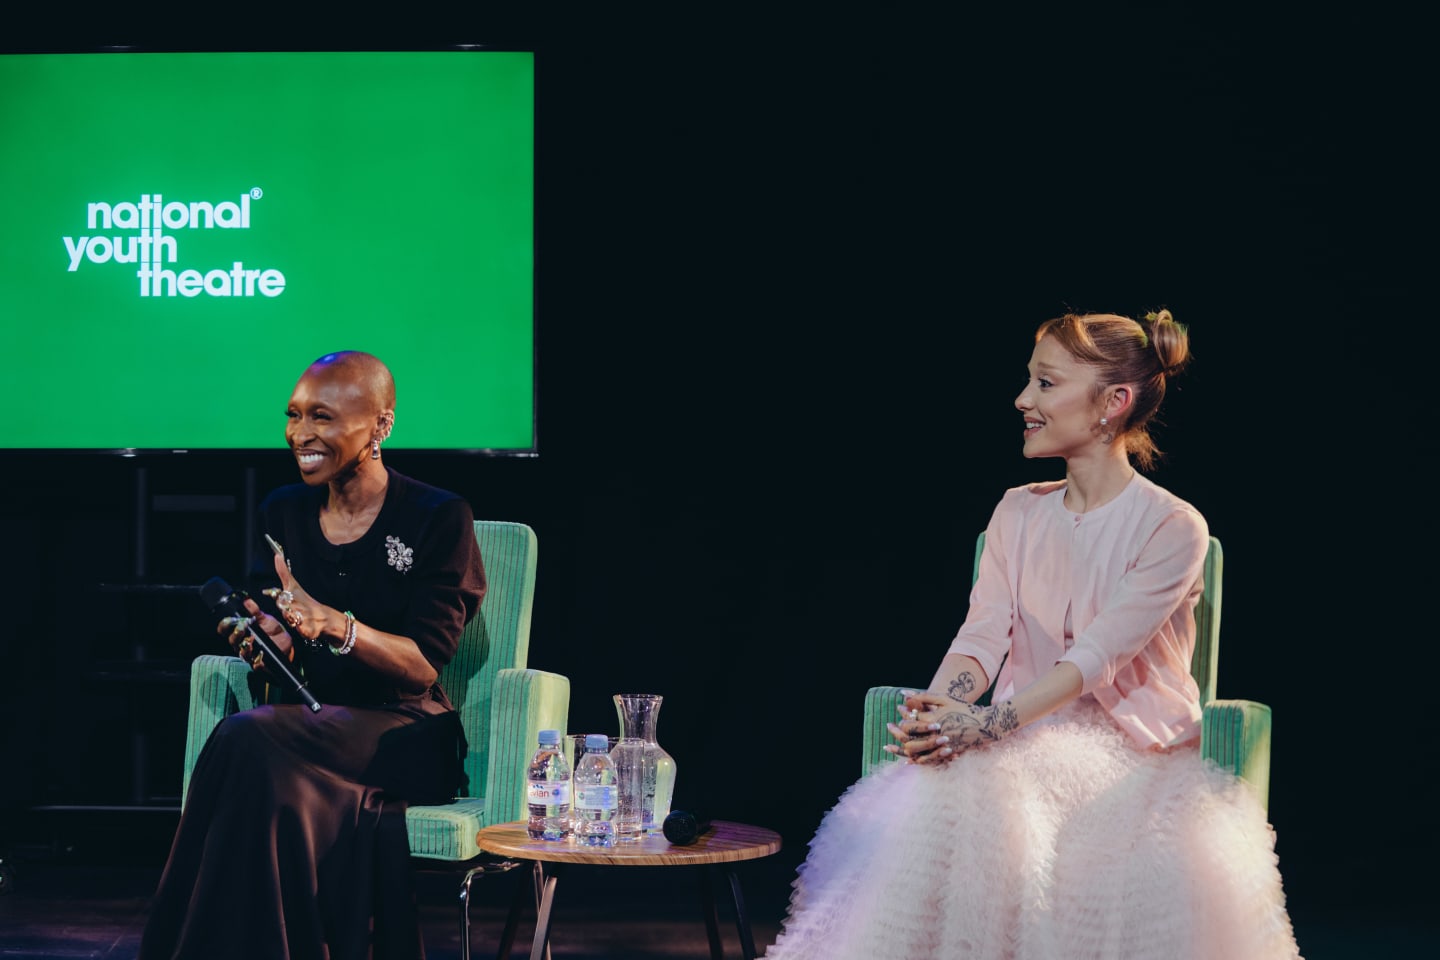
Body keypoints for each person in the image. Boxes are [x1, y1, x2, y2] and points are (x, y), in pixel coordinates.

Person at [763, 311, 1302, 959]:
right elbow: (981, 636)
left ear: (1113, 403)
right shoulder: (1018, 511)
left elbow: (1095, 658)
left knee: (999, 794)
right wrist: (939, 713)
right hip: (1024, 735)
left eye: (1045, 383)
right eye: (1029, 381)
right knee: (939, 791)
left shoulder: (1171, 526)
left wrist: (986, 726)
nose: (1023, 400)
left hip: (1136, 754)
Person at [139, 351, 487, 960]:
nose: (299, 434)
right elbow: (279, 623)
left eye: (321, 417)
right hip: (307, 724)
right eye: (294, 415)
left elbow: (424, 664)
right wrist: (271, 643)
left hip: (405, 731)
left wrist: (335, 626)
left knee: (245, 737)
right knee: (269, 780)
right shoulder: (284, 511)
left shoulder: (437, 516)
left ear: (380, 425)